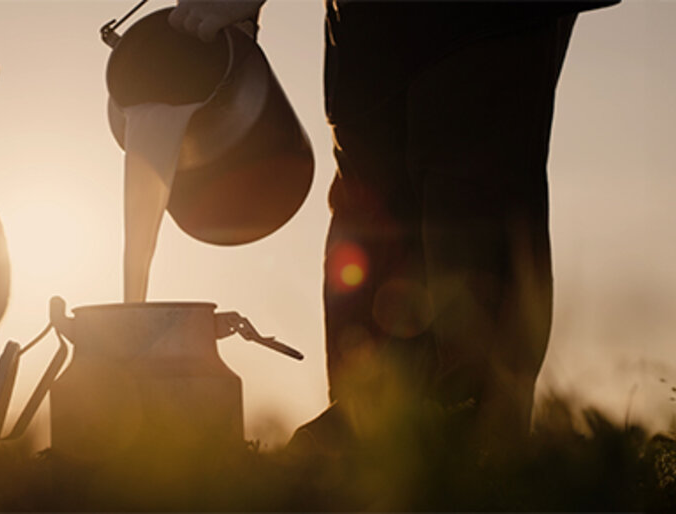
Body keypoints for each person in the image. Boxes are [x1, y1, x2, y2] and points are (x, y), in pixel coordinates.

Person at [169, 0, 618, 452]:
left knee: (468, 199)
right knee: (369, 210)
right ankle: (373, 435)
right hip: (367, 24)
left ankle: (470, 449)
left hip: (484, 16)